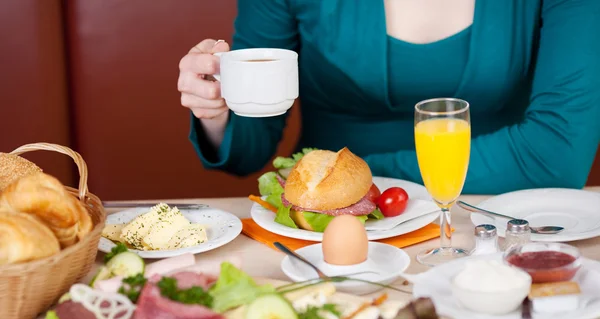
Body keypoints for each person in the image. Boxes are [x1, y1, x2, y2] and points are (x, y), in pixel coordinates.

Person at [177, 0, 600, 194]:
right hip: (331, 228)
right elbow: (249, 149)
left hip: (499, 218)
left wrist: (347, 178)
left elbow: (555, 156)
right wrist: (215, 111)